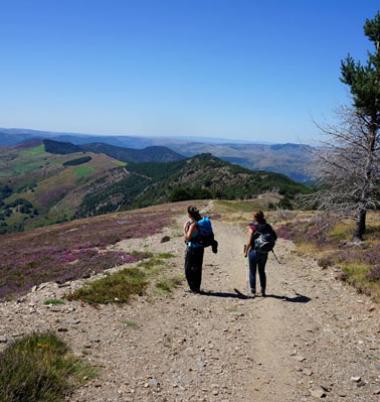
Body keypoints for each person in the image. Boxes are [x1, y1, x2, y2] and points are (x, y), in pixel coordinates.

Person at [244, 210, 277, 297]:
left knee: (252, 271)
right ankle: (263, 290)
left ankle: (253, 291)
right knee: (262, 271)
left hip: (254, 251)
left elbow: (250, 241)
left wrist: (246, 251)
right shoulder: (268, 226)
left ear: (255, 217)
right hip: (264, 253)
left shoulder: (253, 227)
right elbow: (275, 237)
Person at [183, 205, 205, 293]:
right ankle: (197, 287)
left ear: (189, 214)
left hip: (192, 249)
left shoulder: (193, 225)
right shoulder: (201, 222)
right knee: (198, 268)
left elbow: (187, 238)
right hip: (200, 248)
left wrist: (184, 229)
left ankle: (193, 288)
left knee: (188, 269)